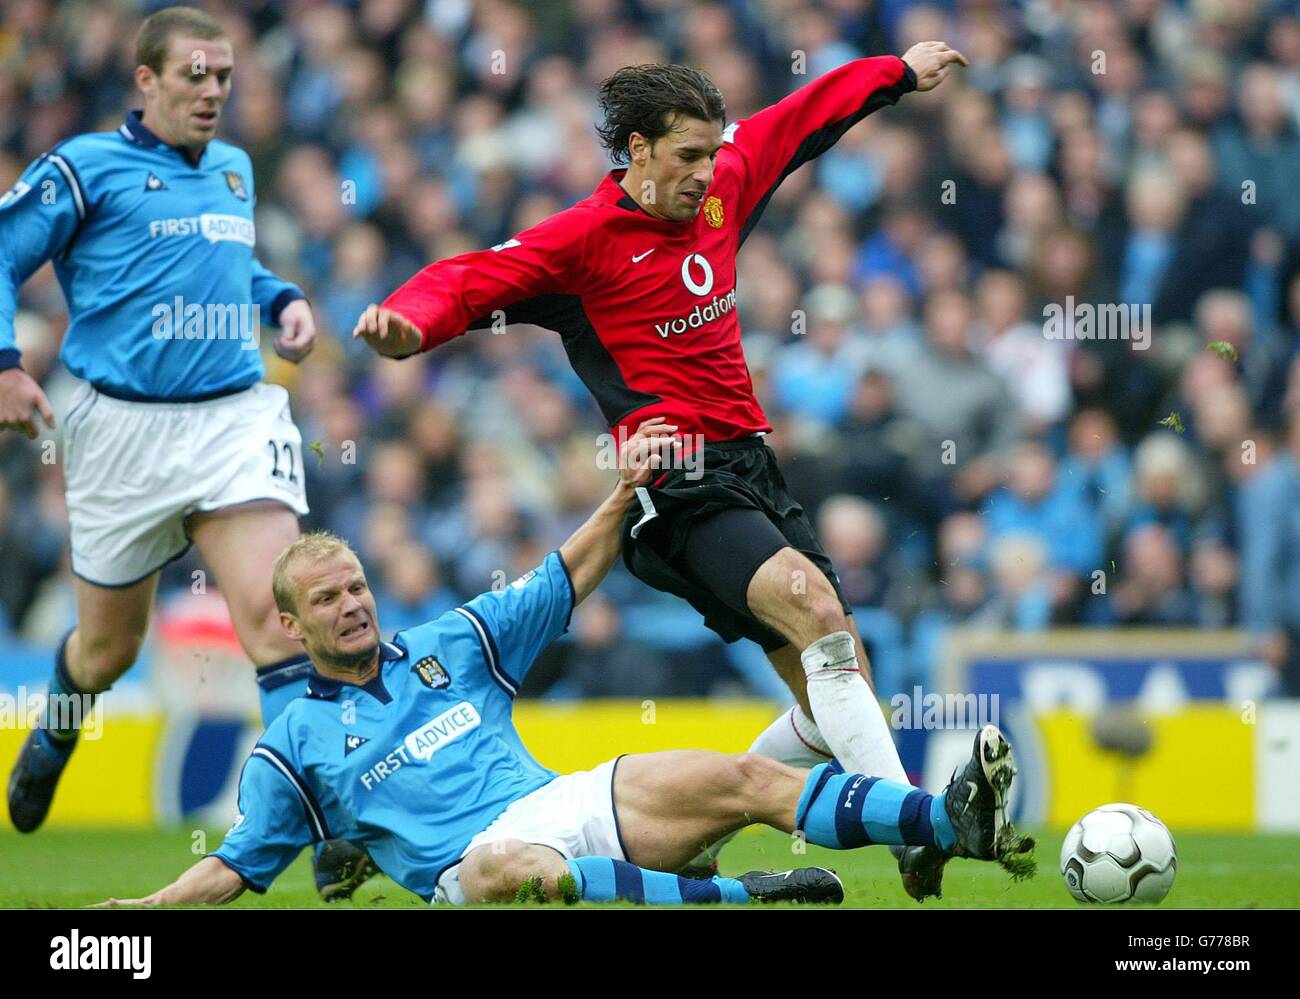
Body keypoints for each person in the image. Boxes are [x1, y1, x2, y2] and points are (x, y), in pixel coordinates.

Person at [353, 41, 970, 900]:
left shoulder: (722, 184)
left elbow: (801, 120)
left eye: (713, 152)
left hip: (753, 464)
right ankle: (915, 826)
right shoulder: (583, 242)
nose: (705, 172)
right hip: (672, 482)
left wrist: (896, 72)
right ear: (637, 151)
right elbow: (471, 275)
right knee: (817, 609)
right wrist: (409, 327)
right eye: (686, 156)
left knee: (831, 688)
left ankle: (687, 840)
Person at [96, 422, 1034, 907]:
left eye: (357, 587)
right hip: (475, 867)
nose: (353, 604)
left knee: (748, 776)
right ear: (293, 628)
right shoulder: (291, 743)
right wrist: (145, 905)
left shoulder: (449, 642)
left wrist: (626, 490)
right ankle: (737, 895)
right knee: (515, 868)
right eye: (330, 600)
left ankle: (950, 821)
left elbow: (565, 575)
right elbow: (233, 866)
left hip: (567, 800)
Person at [0, 7, 357, 899]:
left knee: (283, 620)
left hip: (231, 417)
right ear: (146, 81)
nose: (212, 92)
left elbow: (233, 267)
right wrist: (6, 366)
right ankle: (61, 720)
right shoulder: (85, 167)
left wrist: (281, 302)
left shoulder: (233, 170)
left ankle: (325, 814)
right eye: (194, 75)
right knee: (107, 651)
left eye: (224, 77)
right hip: (121, 432)